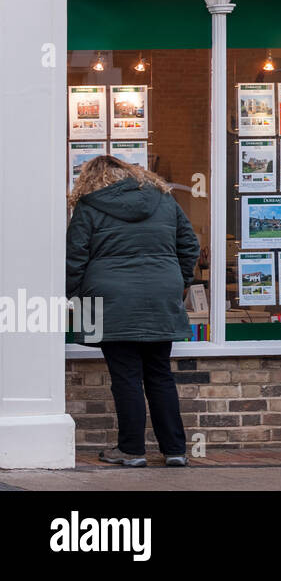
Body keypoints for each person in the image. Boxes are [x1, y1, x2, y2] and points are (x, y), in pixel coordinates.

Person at [66, 155, 199, 468]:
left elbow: (75, 257)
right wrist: (176, 281)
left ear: (92, 179)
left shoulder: (89, 205)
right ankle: (175, 450)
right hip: (161, 297)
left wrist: (73, 295)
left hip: (109, 300)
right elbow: (190, 246)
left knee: (125, 376)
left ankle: (131, 450)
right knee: (160, 374)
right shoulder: (165, 201)